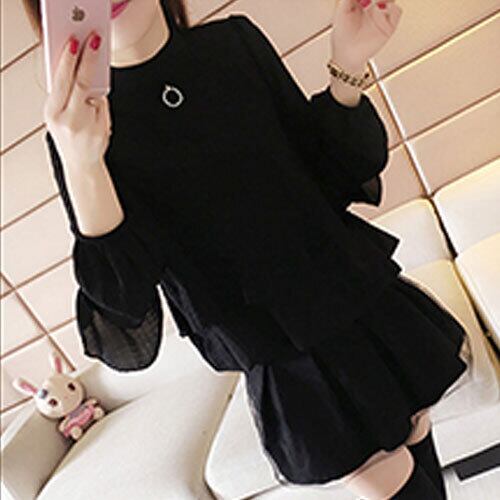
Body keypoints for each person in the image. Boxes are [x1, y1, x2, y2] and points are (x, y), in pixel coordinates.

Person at [24, 0, 470, 497]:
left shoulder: (232, 44)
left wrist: (348, 63)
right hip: (287, 360)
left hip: (364, 304)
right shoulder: (77, 132)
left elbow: (331, 175)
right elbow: (125, 317)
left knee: (424, 462)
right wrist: (84, 165)